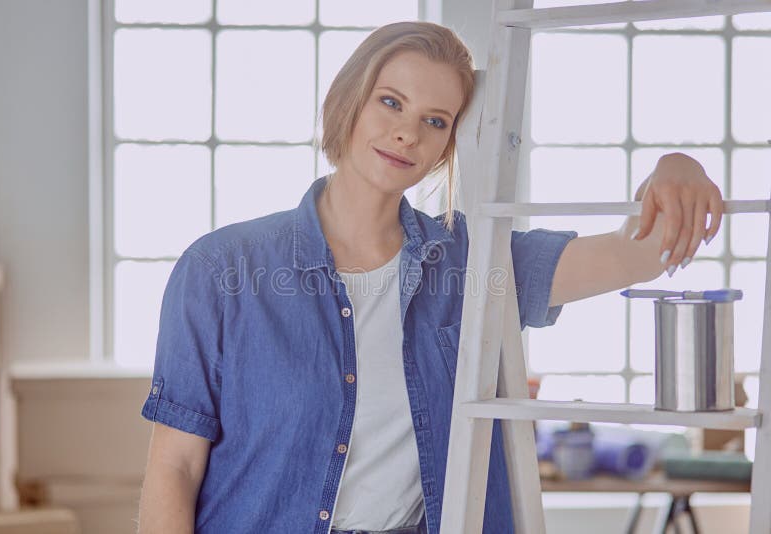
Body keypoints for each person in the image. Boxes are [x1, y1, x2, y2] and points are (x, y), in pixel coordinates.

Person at [136, 21, 723, 534]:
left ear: (449, 143)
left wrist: (678, 169)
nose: (407, 134)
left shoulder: (476, 263)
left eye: (434, 120)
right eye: (390, 102)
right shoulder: (221, 269)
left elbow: (634, 255)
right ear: (349, 100)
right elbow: (176, 467)